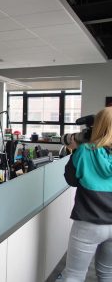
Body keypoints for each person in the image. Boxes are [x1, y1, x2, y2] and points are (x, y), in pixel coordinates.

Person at [61, 107, 112, 281]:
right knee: (107, 274)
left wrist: (74, 149)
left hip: (88, 224)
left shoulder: (85, 151)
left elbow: (71, 180)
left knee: (74, 275)